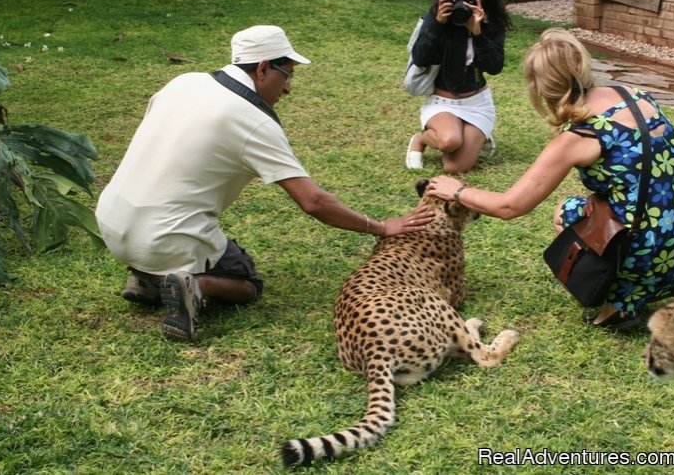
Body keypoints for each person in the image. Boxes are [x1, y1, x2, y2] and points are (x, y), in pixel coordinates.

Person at [95, 25, 434, 342]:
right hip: (162, 239)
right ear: (262, 69)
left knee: (164, 226)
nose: (288, 87)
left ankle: (146, 277)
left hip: (111, 223)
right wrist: (381, 227)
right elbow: (312, 201)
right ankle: (192, 284)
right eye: (287, 74)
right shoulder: (254, 120)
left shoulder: (183, 81)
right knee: (247, 281)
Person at [425, 28, 674, 332]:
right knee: (609, 210)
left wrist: (459, 190)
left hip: (652, 247)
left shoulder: (579, 136)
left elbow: (510, 206)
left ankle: (620, 303)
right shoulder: (635, 96)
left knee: (567, 211)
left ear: (542, 89)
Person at [405, 0, 510, 174]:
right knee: (449, 141)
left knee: (454, 167)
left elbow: (495, 67)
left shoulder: (493, 20)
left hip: (477, 103)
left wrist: (478, 33)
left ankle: (478, 135)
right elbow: (420, 58)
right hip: (442, 101)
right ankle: (421, 139)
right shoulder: (440, 13)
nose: (468, 1)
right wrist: (437, 25)